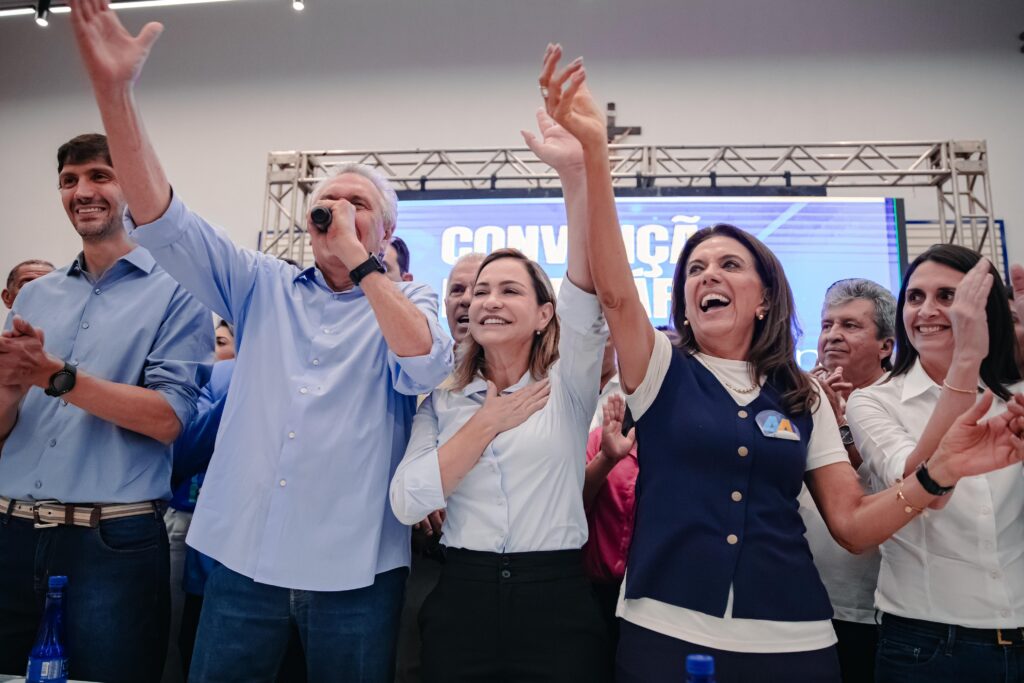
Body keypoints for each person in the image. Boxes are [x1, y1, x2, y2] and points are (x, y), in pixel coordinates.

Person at [540, 43, 1024, 683]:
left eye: (728, 264)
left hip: (796, 643)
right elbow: (616, 291)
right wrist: (595, 157)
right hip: (666, 633)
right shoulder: (660, 369)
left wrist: (936, 476)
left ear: (765, 296)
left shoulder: (804, 395)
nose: (707, 274)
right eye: (695, 270)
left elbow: (851, 525)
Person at [69, 4, 454, 681]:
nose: (337, 210)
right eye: (326, 202)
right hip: (244, 563)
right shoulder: (260, 284)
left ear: (388, 232)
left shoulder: (412, 300)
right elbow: (162, 218)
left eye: (357, 202)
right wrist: (114, 94)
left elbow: (423, 362)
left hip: (355, 574)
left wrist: (364, 266)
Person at [390, 107, 611, 683]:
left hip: (556, 598)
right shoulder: (442, 400)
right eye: (480, 290)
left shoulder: (567, 385)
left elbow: (586, 283)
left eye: (509, 290)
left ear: (544, 314)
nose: (487, 299)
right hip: (463, 596)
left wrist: (574, 174)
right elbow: (408, 501)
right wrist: (485, 423)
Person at [0, 133, 212, 683]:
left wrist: (55, 376)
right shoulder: (34, 295)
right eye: (69, 181)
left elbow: (168, 418)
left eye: (99, 175)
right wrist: (6, 392)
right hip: (12, 530)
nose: (81, 191)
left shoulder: (181, 291)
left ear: (133, 188)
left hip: (109, 544)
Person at [846, 245, 1024, 683]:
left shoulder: (1016, 395)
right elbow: (920, 486)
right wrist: (965, 360)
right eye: (915, 297)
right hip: (924, 643)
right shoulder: (873, 401)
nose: (927, 310)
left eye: (948, 296)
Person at [800, 278, 896, 683]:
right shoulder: (792, 394)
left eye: (850, 325)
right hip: (799, 601)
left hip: (869, 607)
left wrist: (839, 424)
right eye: (827, 325)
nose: (833, 335)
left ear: (887, 345)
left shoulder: (902, 401)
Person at [394, 251, 483, 683]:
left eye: (478, 289)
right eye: (457, 290)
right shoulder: (410, 368)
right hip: (417, 557)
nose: (466, 300)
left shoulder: (528, 378)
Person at [582, 392, 637, 649]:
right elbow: (573, 504)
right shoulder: (601, 438)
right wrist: (607, 458)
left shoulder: (680, 449)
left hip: (648, 599)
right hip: (592, 592)